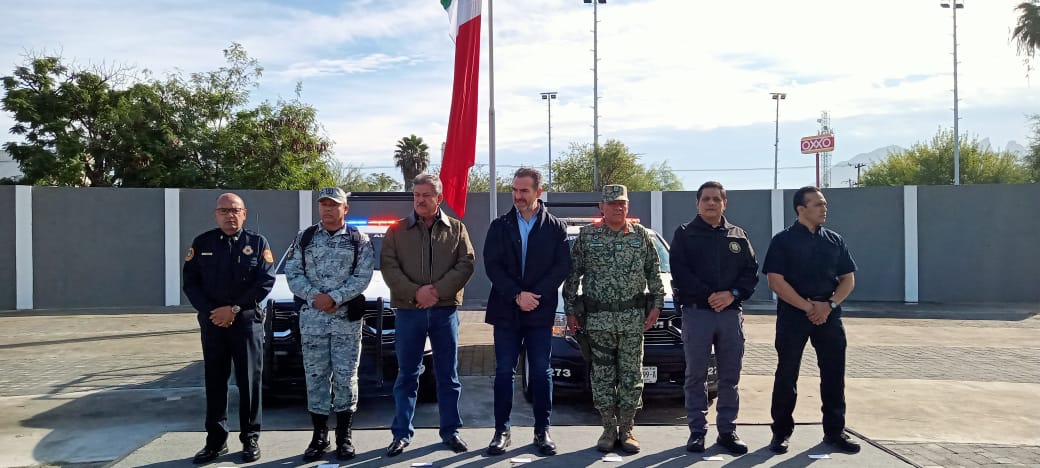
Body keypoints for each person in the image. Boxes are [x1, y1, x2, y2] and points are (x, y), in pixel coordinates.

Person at [562, 184, 665, 454]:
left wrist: (656, 306)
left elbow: (654, 274)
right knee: (603, 377)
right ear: (602, 207)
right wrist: (570, 310)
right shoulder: (587, 236)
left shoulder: (641, 236)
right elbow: (573, 277)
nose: (618, 208)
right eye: (613, 203)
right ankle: (608, 429)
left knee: (631, 377)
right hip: (598, 321)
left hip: (632, 320)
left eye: (623, 203)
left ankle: (628, 429)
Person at [381, 173, 476, 457]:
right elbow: (389, 267)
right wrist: (416, 293)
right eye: (416, 195)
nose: (420, 200)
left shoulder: (457, 229)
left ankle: (450, 431)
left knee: (448, 376)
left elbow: (466, 263)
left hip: (444, 312)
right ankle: (401, 434)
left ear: (439, 198)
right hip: (409, 312)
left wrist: (436, 291)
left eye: (426, 195)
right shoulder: (396, 231)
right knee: (407, 375)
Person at [762, 186, 860, 455]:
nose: (824, 208)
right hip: (794, 315)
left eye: (824, 204)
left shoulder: (834, 241)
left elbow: (848, 279)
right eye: (818, 204)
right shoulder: (782, 241)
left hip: (828, 315)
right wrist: (808, 307)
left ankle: (835, 431)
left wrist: (828, 305)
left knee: (833, 374)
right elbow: (775, 280)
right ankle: (780, 433)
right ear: (801, 209)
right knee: (787, 374)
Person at [483, 168, 572, 456]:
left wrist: (535, 296)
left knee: (541, 373)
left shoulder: (556, 227)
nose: (518, 196)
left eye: (524, 191)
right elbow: (492, 265)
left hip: (539, 310)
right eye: (515, 190)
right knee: (503, 371)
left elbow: (561, 267)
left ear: (538, 192)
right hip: (507, 311)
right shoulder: (500, 226)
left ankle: (542, 431)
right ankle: (501, 431)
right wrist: (516, 295)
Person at [182, 193, 275, 464]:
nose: (230, 215)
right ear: (216, 214)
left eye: (235, 210)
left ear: (244, 214)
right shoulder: (202, 243)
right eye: (224, 210)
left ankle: (250, 440)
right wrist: (213, 312)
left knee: (249, 383)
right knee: (215, 382)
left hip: (245, 324)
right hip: (213, 325)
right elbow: (191, 283)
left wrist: (233, 309)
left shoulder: (257, 243)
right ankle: (215, 441)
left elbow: (265, 282)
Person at [285, 187, 375, 462]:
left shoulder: (359, 239)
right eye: (323, 205)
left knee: (347, 378)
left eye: (333, 205)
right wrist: (315, 299)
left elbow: (363, 276)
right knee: (315, 378)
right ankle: (319, 436)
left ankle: (344, 436)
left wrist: (334, 298)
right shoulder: (305, 238)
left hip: (345, 323)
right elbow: (292, 272)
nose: (327, 209)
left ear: (345, 209)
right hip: (313, 321)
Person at [669, 181, 759, 455]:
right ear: (697, 203)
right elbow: (680, 272)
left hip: (730, 315)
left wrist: (731, 294)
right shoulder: (685, 234)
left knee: (729, 376)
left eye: (716, 199)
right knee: (696, 375)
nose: (711, 203)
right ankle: (697, 432)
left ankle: (727, 431)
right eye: (705, 199)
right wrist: (711, 295)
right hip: (698, 314)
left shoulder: (738, 235)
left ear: (724, 203)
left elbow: (751, 272)